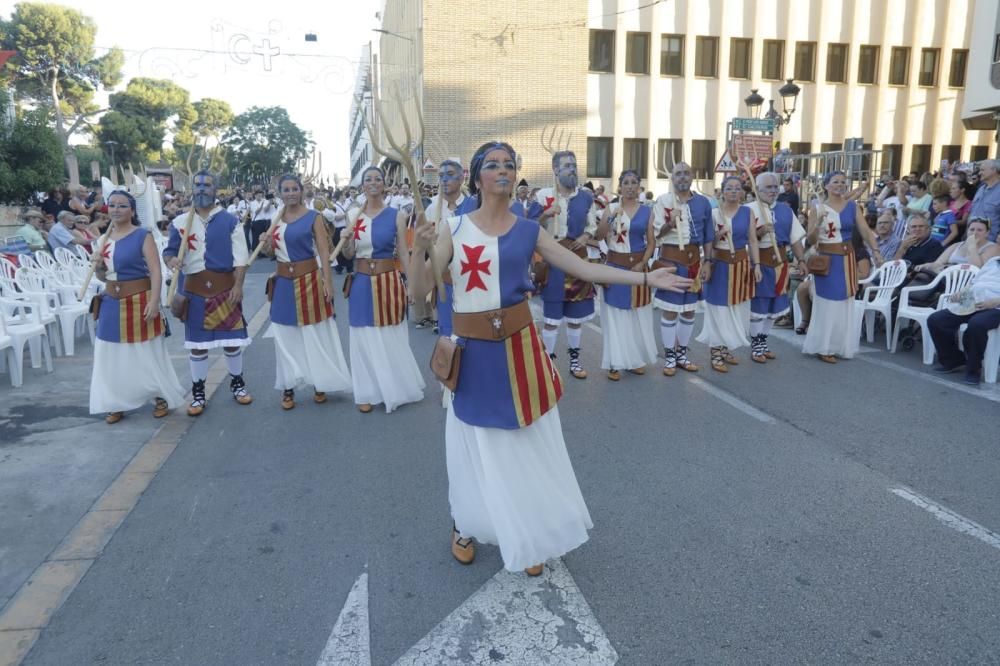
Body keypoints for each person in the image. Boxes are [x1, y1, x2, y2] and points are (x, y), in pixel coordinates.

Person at [409, 141, 692, 576]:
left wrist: (645, 277)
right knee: (474, 447)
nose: (502, 170)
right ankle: (466, 523)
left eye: (509, 164)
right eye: (492, 165)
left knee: (525, 445)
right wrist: (418, 250)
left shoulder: (528, 230)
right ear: (477, 177)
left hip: (520, 350)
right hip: (471, 354)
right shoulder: (453, 227)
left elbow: (585, 269)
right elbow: (418, 296)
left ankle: (529, 529)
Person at [258, 174, 352, 409]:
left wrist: (327, 283)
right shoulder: (275, 219)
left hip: (309, 279)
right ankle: (288, 386)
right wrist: (266, 242)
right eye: (285, 190)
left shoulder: (314, 217)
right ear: (280, 193)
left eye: (294, 189)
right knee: (285, 335)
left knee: (314, 333)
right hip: (282, 282)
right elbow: (271, 253)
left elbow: (323, 251)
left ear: (300, 191)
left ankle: (319, 382)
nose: (290, 193)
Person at [163, 170, 253, 416]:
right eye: (198, 185)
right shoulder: (181, 222)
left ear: (216, 189)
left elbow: (241, 259)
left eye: (207, 185)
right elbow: (169, 252)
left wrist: (238, 286)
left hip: (225, 289)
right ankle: (198, 391)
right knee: (198, 347)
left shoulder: (229, 221)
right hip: (194, 291)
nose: (202, 189)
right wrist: (171, 262)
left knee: (232, 343)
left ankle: (237, 384)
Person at [89, 191, 184, 423]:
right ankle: (116, 401)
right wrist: (98, 265)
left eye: (122, 205)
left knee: (146, 353)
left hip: (139, 300)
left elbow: (155, 271)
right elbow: (103, 277)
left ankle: (160, 396)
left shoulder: (143, 235)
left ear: (132, 210)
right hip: (111, 301)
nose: (116, 209)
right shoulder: (103, 240)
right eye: (112, 205)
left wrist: (154, 302)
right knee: (111, 354)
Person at [341, 166, 425, 413]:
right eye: (369, 179)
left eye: (378, 178)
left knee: (390, 334)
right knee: (363, 335)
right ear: (362, 185)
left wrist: (410, 285)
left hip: (389, 280)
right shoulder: (354, 214)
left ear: (384, 183)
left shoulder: (395, 215)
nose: (373, 182)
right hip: (362, 281)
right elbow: (348, 255)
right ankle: (367, 391)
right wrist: (345, 240)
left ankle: (395, 388)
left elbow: (403, 253)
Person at [531, 150, 598, 379]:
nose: (572, 169)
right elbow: (527, 225)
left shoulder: (586, 197)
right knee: (552, 318)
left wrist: (585, 237)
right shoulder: (543, 196)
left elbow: (592, 226)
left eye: (574, 164)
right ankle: (548, 364)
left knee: (575, 317)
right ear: (555, 169)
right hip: (553, 261)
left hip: (577, 258)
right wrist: (545, 215)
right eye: (567, 165)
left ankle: (575, 361)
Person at [802, 171, 881, 362]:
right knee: (828, 303)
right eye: (835, 182)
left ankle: (839, 345)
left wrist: (876, 251)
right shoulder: (818, 209)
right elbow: (810, 240)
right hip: (827, 259)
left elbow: (865, 231)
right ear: (827, 185)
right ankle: (824, 346)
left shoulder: (852, 207)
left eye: (843, 182)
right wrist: (817, 225)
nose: (840, 185)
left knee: (845, 301)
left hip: (847, 258)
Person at [652, 162, 715, 375]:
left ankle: (682, 354)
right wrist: (670, 223)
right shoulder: (663, 201)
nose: (682, 177)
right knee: (670, 310)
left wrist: (708, 262)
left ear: (692, 175)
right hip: (671, 260)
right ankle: (670, 356)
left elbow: (708, 236)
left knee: (689, 311)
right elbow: (656, 235)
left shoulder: (703, 203)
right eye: (678, 174)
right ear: (672, 178)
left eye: (686, 173)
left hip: (695, 261)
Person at [596, 170, 657, 379]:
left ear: (639, 186)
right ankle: (614, 361)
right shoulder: (611, 208)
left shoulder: (647, 211)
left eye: (634, 182)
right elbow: (599, 236)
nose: (630, 186)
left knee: (636, 315)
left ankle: (633, 360)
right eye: (626, 183)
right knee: (616, 316)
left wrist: (643, 263)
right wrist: (608, 220)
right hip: (615, 267)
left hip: (638, 268)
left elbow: (651, 242)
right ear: (620, 187)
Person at [696, 176, 761, 371]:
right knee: (718, 309)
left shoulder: (747, 212)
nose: (733, 191)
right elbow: (707, 242)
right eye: (729, 188)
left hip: (740, 264)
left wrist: (756, 264)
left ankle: (724, 348)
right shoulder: (714, 214)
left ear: (742, 192)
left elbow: (753, 240)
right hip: (719, 264)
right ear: (723, 191)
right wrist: (717, 235)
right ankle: (715, 351)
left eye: (737, 188)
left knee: (736, 307)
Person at [747, 172, 807, 362]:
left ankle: (763, 341)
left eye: (775, 187)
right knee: (760, 305)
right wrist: (759, 232)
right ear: (757, 189)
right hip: (759, 262)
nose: (773, 191)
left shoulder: (785, 210)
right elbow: (740, 240)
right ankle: (755, 343)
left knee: (775, 307)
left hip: (780, 263)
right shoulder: (748, 210)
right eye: (768, 187)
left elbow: (795, 238)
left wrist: (802, 260)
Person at [422, 159, 478, 338]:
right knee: (447, 333)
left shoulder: (474, 205)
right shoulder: (432, 209)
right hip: (445, 279)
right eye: (441, 176)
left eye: (450, 175)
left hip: (472, 275)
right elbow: (425, 248)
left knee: (472, 331)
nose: (444, 179)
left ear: (462, 179)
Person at [929, 252, 1000, 385]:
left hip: (995, 307)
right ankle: (953, 360)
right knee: (936, 320)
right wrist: (961, 292)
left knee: (976, 325)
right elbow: (974, 282)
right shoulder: (993, 261)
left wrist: (995, 302)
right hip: (972, 301)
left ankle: (974, 369)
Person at [916, 218, 996, 273]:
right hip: (945, 276)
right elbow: (938, 263)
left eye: (980, 230)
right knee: (921, 275)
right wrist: (925, 265)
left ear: (987, 233)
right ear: (967, 231)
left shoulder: (993, 248)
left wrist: (972, 247)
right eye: (972, 229)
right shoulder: (957, 245)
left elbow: (977, 268)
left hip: (966, 282)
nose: (975, 233)